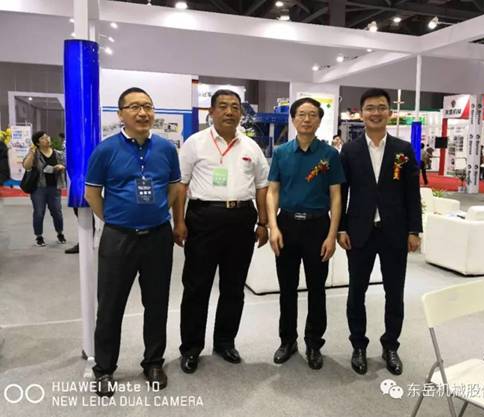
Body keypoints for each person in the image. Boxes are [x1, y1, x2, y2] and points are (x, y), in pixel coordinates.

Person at [84, 87, 182, 397]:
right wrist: (116, 219)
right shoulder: (105, 150)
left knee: (157, 303)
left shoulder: (166, 149)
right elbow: (92, 194)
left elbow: (175, 188)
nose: (143, 113)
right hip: (118, 239)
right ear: (121, 114)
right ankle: (104, 369)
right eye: (135, 107)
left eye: (148, 106)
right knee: (110, 306)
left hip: (157, 237)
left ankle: (153, 362)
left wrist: (159, 212)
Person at [177, 89, 269, 374]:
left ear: (241, 113)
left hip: (241, 219)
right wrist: (178, 221)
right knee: (197, 286)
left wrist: (263, 222)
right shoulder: (195, 143)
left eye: (235, 107)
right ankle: (191, 347)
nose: (230, 112)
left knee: (234, 287)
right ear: (212, 111)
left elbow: (262, 186)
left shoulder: (251, 147)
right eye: (223, 106)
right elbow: (181, 185)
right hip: (203, 218)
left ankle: (225, 342)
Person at [338, 88, 422, 376]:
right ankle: (358, 345)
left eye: (381, 107)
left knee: (394, 293)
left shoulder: (403, 149)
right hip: (359, 232)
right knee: (356, 292)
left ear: (390, 112)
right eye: (370, 108)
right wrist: (341, 228)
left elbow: (412, 193)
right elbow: (342, 193)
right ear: (362, 113)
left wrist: (414, 230)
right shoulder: (350, 150)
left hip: (394, 232)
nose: (376, 113)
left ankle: (391, 346)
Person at [266, 98, 344, 370]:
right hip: (287, 225)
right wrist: (273, 227)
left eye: (312, 114)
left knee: (317, 289)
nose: (307, 119)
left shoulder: (330, 155)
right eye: (301, 114)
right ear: (293, 118)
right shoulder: (281, 153)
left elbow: (336, 196)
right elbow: (273, 191)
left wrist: (331, 234)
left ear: (320, 120)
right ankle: (287, 341)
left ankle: (314, 343)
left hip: (317, 227)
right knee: (287, 288)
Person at [22, 131, 66, 246]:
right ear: (37, 142)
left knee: (57, 212)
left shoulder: (58, 154)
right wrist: (31, 154)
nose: (47, 139)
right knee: (39, 212)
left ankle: (60, 233)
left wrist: (61, 167)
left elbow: (65, 165)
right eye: (43, 138)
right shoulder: (35, 154)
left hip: (54, 187)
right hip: (38, 188)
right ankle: (39, 236)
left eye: (47, 137)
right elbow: (26, 166)